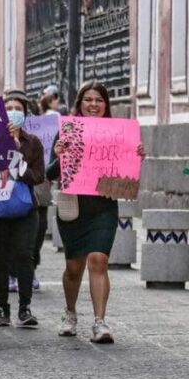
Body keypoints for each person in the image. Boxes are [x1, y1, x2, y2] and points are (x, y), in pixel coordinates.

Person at [50, 81, 145, 344]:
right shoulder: (68, 131)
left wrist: (135, 156)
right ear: (80, 103)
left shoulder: (118, 132)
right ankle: (70, 314)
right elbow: (48, 174)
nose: (93, 104)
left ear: (106, 105)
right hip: (74, 208)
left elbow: (125, 175)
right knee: (73, 267)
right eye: (88, 99)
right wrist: (59, 156)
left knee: (98, 260)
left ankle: (100, 322)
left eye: (99, 100)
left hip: (103, 207)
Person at [0, 90, 46, 329]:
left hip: (24, 208)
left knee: (24, 254)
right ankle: (3, 307)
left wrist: (15, 148)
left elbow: (37, 176)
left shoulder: (33, 143)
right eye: (8, 108)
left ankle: (24, 307)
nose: (13, 112)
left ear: (25, 113)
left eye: (17, 108)